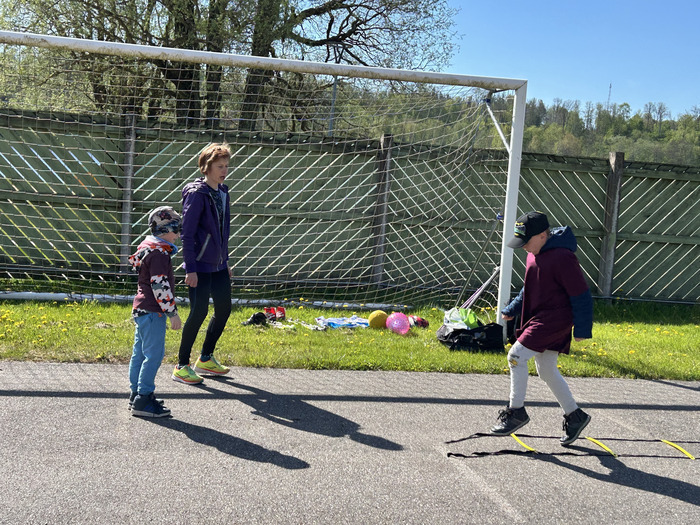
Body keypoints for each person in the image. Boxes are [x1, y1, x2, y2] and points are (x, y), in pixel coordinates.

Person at [492, 211, 593, 445]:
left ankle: (516, 411)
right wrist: (513, 308)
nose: (524, 247)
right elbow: (529, 287)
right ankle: (575, 415)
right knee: (546, 369)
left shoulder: (563, 257)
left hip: (555, 320)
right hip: (540, 317)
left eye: (526, 242)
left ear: (542, 236)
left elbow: (582, 295)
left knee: (515, 356)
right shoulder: (533, 254)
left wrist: (582, 329)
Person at [172, 143, 232, 385]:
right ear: (206, 167)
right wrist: (191, 268)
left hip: (219, 266)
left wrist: (225, 260)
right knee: (199, 312)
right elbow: (187, 234)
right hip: (199, 266)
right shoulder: (197, 194)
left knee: (224, 309)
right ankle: (181, 365)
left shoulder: (223, 192)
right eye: (219, 166)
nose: (224, 171)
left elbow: (222, 232)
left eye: (226, 166)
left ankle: (205, 358)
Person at [128, 206, 182, 417]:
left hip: (141, 309)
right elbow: (160, 286)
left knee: (139, 354)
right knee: (153, 355)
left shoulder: (148, 248)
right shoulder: (159, 254)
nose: (178, 234)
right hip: (153, 312)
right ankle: (144, 398)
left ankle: (135, 394)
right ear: (164, 230)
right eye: (175, 229)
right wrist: (172, 313)